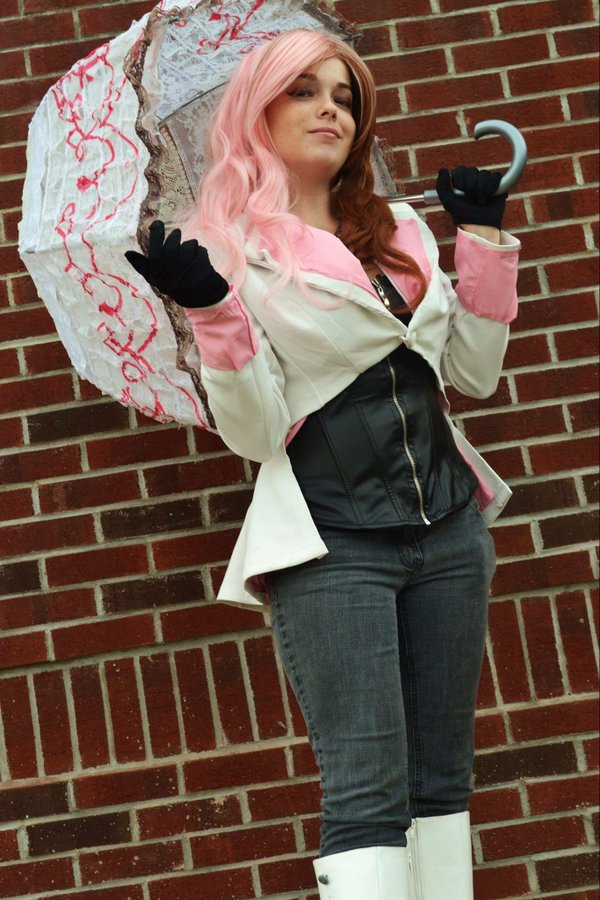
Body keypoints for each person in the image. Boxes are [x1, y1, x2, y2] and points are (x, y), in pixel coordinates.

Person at [125, 28, 520, 900]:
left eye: (344, 96)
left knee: (442, 784)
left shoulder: (398, 226)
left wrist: (482, 241)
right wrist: (213, 312)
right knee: (368, 793)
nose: (329, 109)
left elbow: (473, 374)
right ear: (257, 112)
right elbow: (257, 432)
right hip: (332, 545)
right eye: (302, 91)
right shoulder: (221, 248)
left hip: (450, 533)